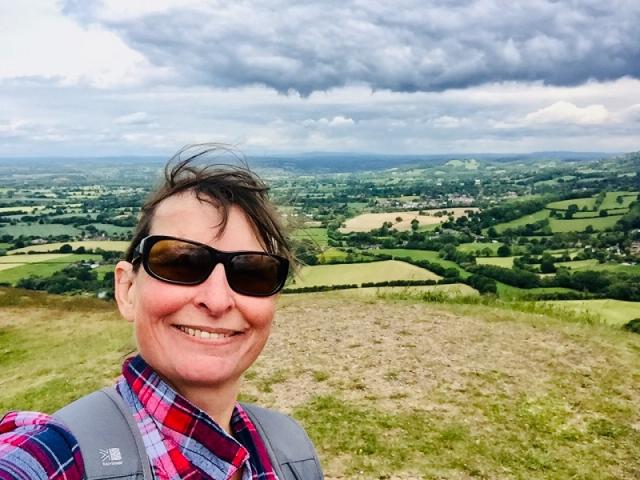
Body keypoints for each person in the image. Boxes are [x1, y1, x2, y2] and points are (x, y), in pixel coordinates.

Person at [0, 145, 321, 480]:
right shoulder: (57, 456)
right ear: (127, 290)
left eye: (252, 272)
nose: (217, 299)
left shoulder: (292, 453)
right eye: (181, 263)